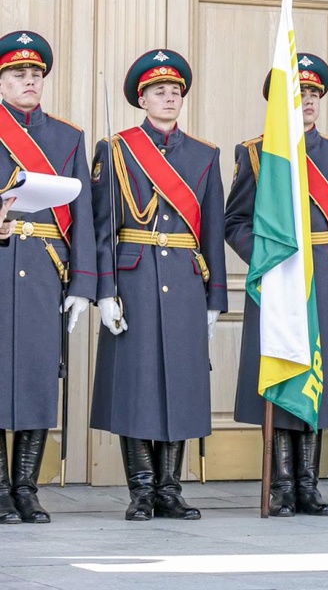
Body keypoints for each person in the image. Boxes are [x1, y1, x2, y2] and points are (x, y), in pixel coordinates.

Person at [226, 53, 328, 517]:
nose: (307, 102)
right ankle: (281, 485)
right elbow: (235, 222)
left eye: (313, 95)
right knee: (282, 373)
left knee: (317, 380)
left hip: (324, 277)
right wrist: (265, 260)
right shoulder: (255, 152)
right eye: (298, 95)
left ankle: (309, 484)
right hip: (278, 278)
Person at [90, 49, 227, 521]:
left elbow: (211, 229)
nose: (169, 98)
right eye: (158, 91)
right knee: (137, 385)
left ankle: (171, 490)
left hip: (186, 282)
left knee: (182, 386)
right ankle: (141, 491)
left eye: (175, 92)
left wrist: (215, 301)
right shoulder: (117, 148)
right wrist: (104, 291)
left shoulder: (205, 154)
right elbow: (102, 227)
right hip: (133, 278)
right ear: (142, 99)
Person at [0, 30, 96, 524]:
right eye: (19, 74)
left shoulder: (67, 136)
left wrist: (82, 284)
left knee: (40, 378)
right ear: (2, 81)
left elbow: (85, 216)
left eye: (35, 74)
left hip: (44, 270)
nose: (29, 81)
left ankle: (27, 488)